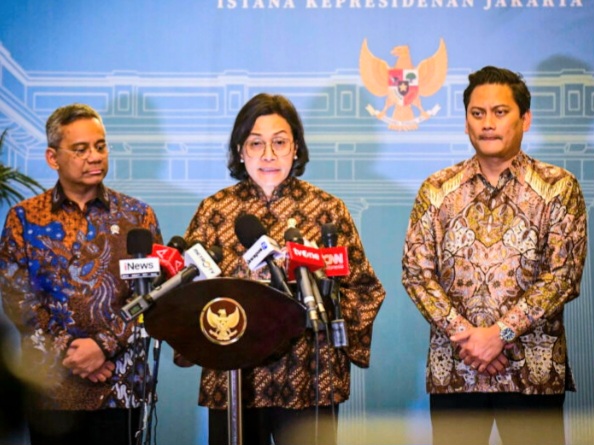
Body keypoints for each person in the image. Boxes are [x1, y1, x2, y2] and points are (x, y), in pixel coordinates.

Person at [181, 93, 386, 445]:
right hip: (235, 378)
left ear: (296, 148)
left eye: (279, 142)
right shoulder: (214, 210)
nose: (268, 155)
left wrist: (328, 326)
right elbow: (189, 293)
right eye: (255, 143)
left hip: (309, 377)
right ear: (240, 150)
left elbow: (364, 289)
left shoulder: (328, 210)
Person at [401, 65, 587, 445]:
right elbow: (416, 273)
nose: (488, 123)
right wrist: (468, 338)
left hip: (532, 373)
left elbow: (562, 275)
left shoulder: (558, 187)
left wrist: (500, 334)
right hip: (456, 372)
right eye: (477, 113)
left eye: (500, 112)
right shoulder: (436, 189)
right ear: (466, 121)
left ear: (525, 119)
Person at [0, 103, 162, 445]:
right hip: (50, 389)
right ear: (52, 157)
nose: (95, 157)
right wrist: (73, 353)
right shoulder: (24, 218)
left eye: (100, 146)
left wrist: (103, 347)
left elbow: (152, 294)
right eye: (81, 149)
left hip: (120, 388)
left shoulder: (138, 217)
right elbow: (18, 299)